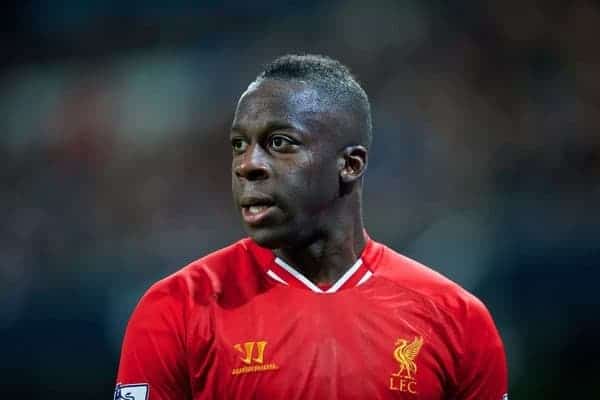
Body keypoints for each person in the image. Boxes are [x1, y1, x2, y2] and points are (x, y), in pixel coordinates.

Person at [114, 54, 508, 400]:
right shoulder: (177, 310)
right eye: (238, 144)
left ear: (350, 164)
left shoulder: (454, 318)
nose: (247, 164)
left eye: (280, 142)